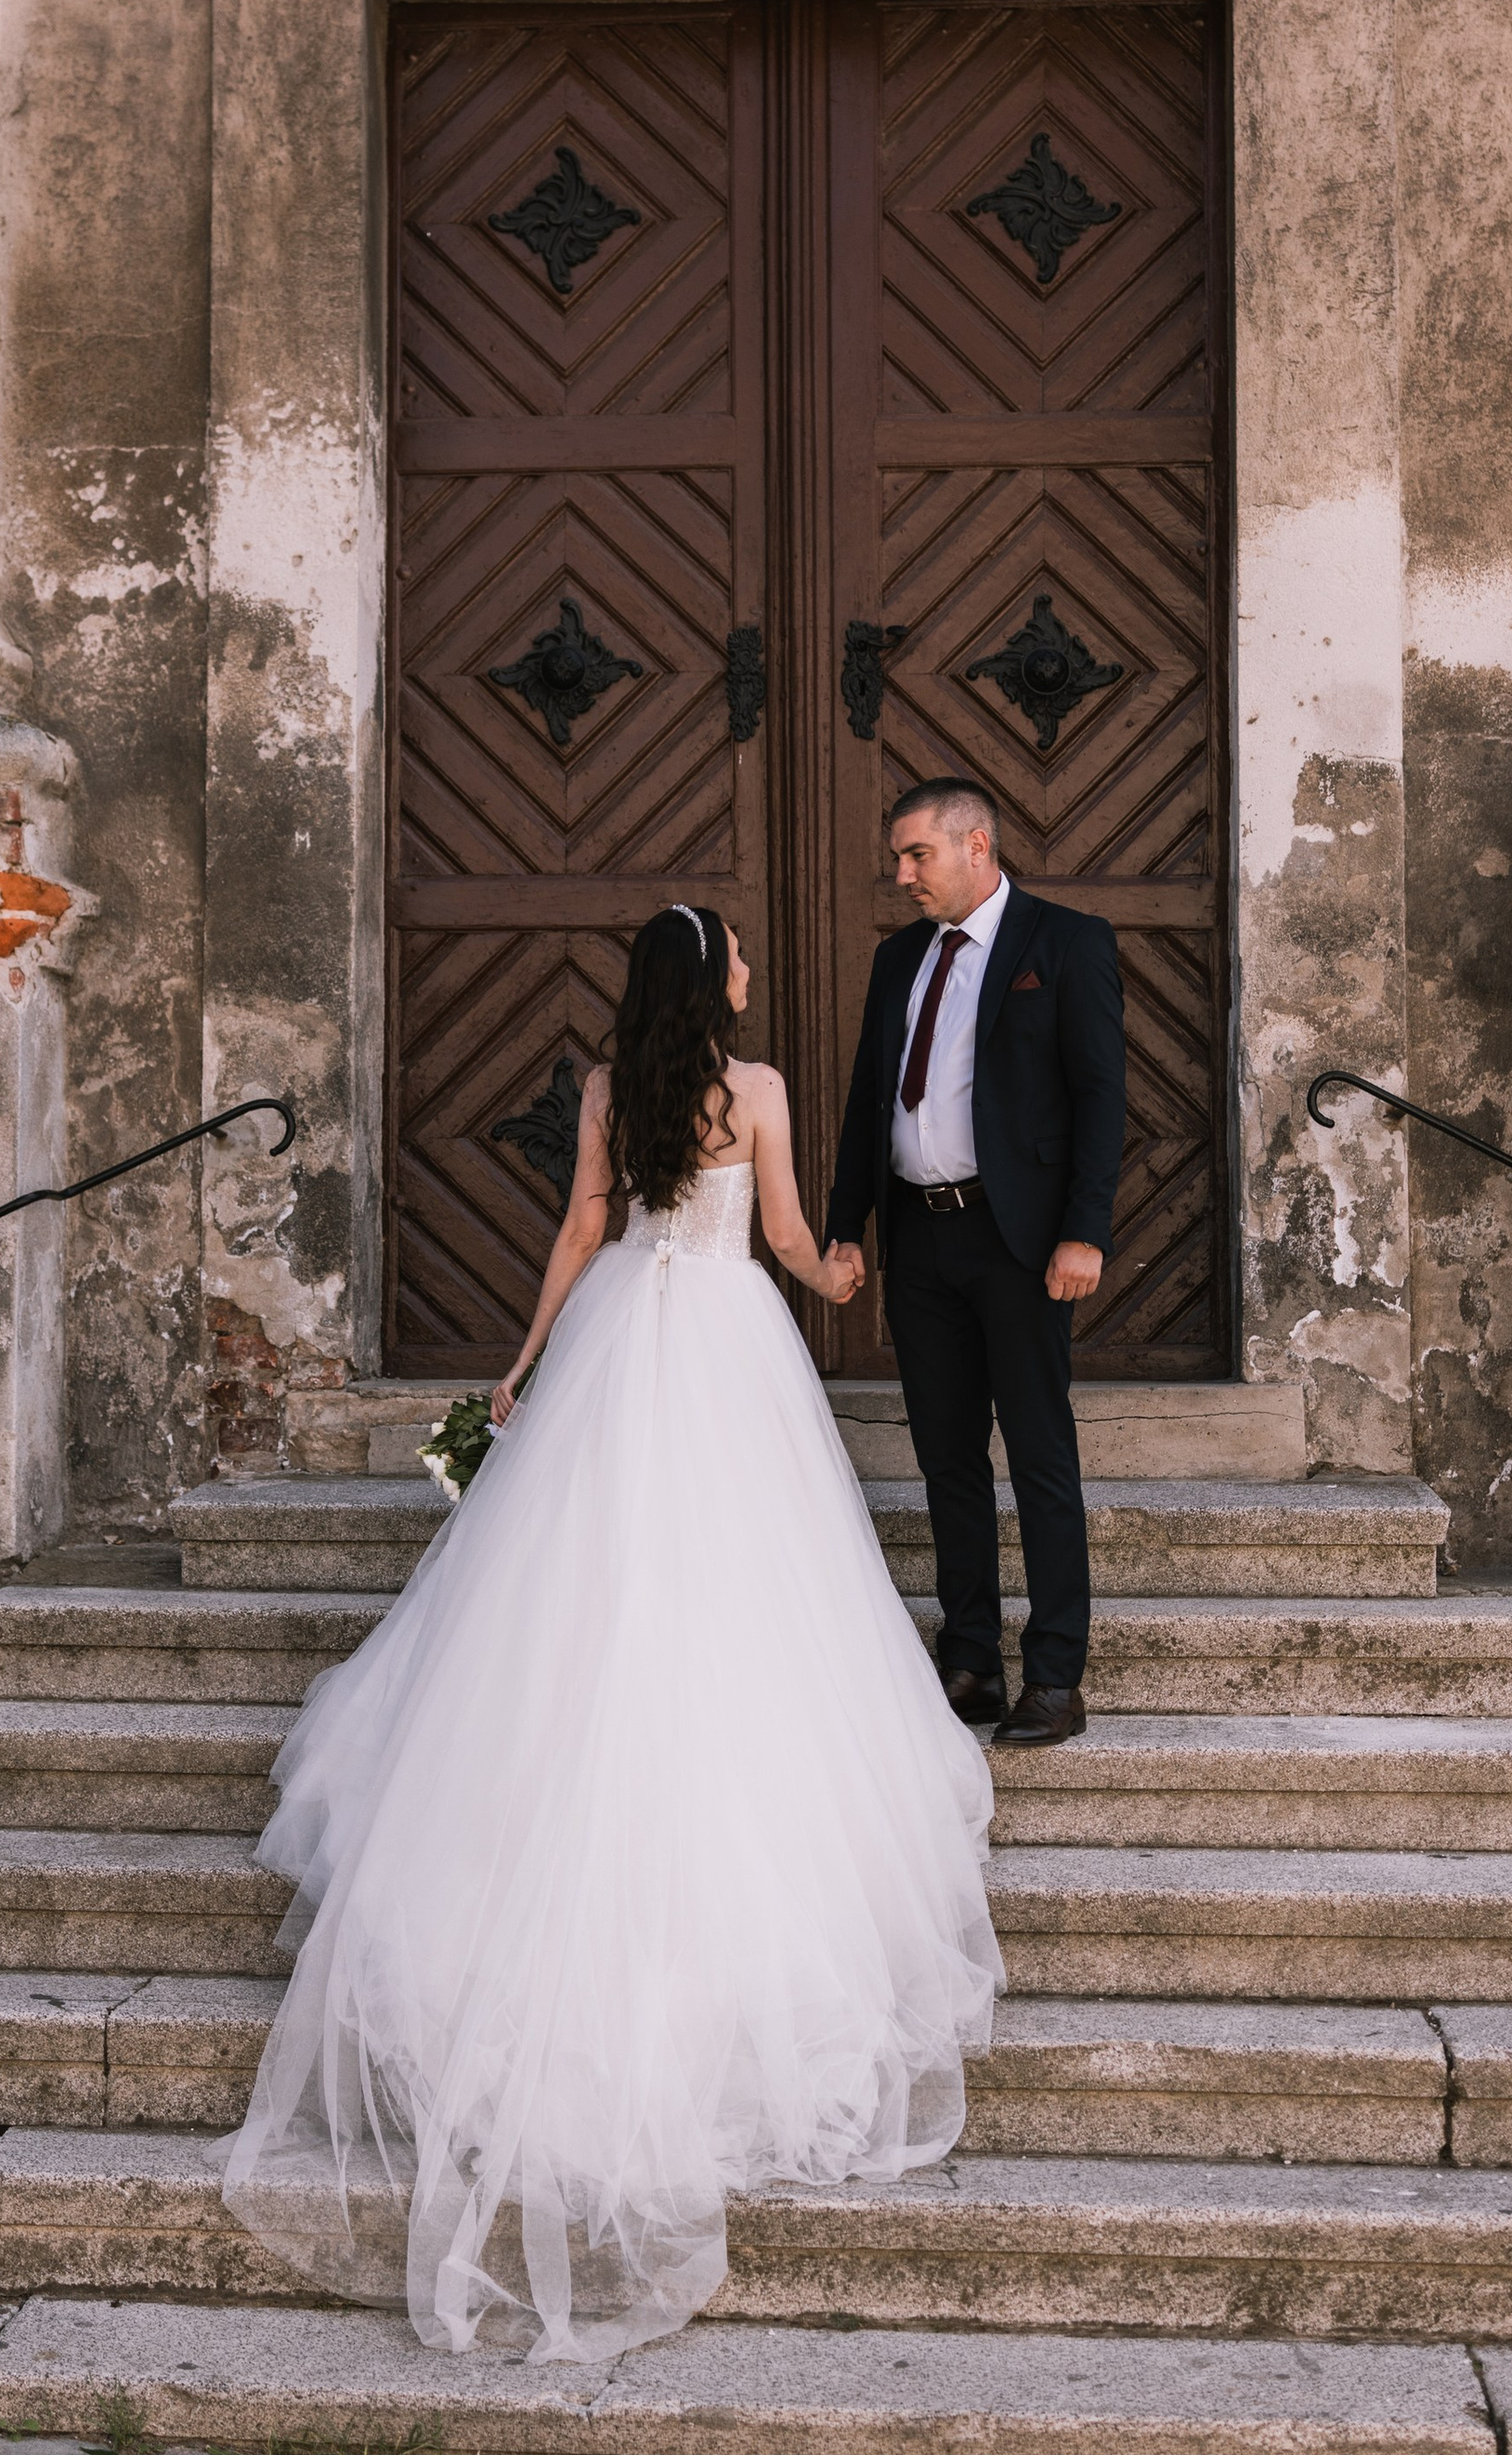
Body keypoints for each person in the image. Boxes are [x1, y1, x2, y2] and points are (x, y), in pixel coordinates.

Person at [222, 902, 1001, 2362]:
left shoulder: (607, 1090)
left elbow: (582, 1223)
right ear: (715, 983)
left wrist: (522, 1364)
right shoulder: (757, 1090)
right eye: (743, 957)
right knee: (739, 1578)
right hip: (725, 1343)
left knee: (574, 1580)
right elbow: (775, 1235)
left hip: (614, 1349)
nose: (759, 971)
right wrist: (837, 1275)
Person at [824, 780, 1127, 1749]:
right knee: (946, 1456)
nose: (902, 874)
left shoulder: (1064, 942)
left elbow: (1100, 1096)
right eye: (900, 857)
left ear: (977, 845)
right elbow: (870, 1098)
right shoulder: (897, 958)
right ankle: (968, 1658)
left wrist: (1085, 1231)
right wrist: (845, 1224)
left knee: (1038, 1451)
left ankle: (1054, 1674)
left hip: (1021, 1240)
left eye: (916, 855)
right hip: (920, 1238)